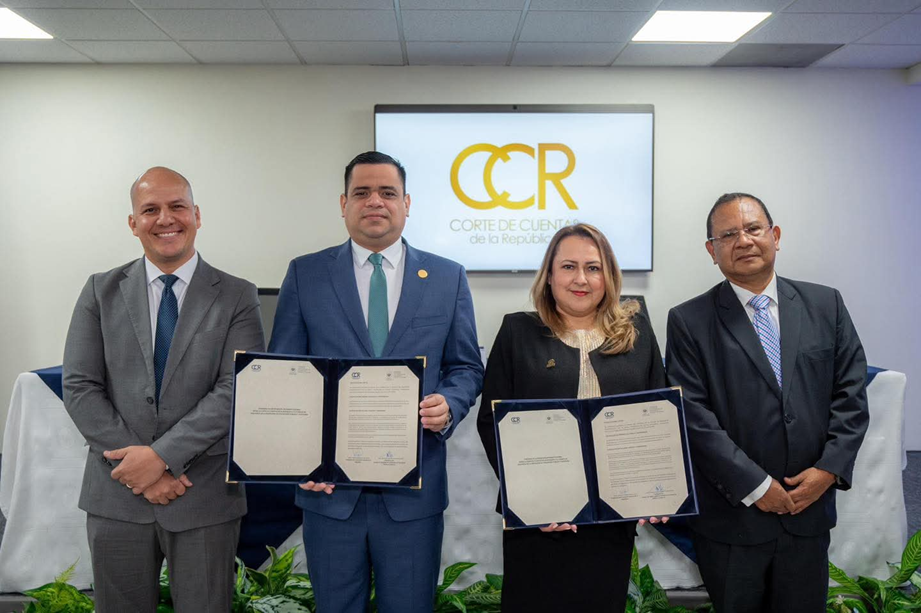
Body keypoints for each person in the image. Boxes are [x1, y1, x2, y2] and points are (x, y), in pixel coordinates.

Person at [268, 151, 484, 613]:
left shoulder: (447, 277)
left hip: (413, 495)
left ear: (406, 203)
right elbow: (285, 375)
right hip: (329, 492)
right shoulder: (306, 274)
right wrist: (299, 459)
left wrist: (449, 403)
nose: (375, 201)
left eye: (387, 192)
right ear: (343, 203)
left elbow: (466, 367)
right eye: (362, 192)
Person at [62, 167, 265, 612]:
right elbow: (79, 386)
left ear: (197, 214)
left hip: (203, 496)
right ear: (133, 223)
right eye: (150, 209)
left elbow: (237, 388)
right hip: (117, 496)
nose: (165, 219)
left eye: (177, 206)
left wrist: (160, 458)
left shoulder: (237, 295)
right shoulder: (99, 291)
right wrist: (137, 467)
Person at [665, 193, 869, 613]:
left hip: (808, 510)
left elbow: (851, 394)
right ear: (712, 251)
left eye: (753, 229)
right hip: (732, 520)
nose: (743, 241)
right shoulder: (689, 320)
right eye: (727, 235)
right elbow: (692, 416)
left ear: (775, 235)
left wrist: (828, 470)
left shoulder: (825, 304)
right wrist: (756, 486)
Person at [477, 223, 667, 612]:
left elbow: (658, 416)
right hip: (537, 522)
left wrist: (654, 487)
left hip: (611, 521)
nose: (581, 279)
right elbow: (491, 423)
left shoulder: (637, 333)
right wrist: (532, 501)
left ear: (608, 276)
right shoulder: (517, 331)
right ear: (549, 276)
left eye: (593, 268)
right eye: (568, 266)